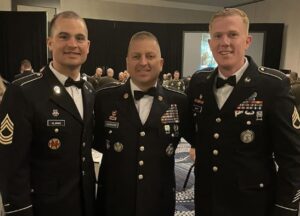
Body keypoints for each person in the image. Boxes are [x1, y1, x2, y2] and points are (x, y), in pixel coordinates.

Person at [187, 8, 300, 216]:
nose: (224, 42)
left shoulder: (273, 86)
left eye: (232, 34)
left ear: (247, 41)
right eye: (218, 36)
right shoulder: (198, 83)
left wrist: (286, 207)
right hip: (207, 201)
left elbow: (292, 156)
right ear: (210, 43)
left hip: (252, 204)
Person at [0, 11, 95, 216]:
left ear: (88, 46)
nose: (72, 44)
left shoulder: (89, 90)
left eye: (79, 38)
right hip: (44, 209)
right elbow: (11, 166)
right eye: (63, 36)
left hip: (84, 205)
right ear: (49, 43)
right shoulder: (23, 92)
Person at [94, 31, 192, 216]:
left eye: (150, 56)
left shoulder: (179, 102)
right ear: (127, 62)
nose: (143, 62)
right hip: (114, 203)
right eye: (136, 56)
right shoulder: (104, 100)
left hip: (159, 202)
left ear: (161, 63)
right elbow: (97, 142)